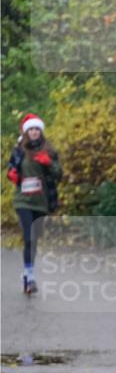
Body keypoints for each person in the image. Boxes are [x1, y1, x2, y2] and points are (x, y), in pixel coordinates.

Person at [6, 114, 62, 294]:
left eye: (37, 129)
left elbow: (59, 175)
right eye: (31, 129)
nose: (34, 132)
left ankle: (27, 272)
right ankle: (30, 278)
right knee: (29, 236)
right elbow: (11, 169)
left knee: (34, 240)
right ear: (26, 132)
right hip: (23, 201)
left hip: (42, 202)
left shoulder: (49, 151)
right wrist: (12, 175)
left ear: (41, 131)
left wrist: (49, 163)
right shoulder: (19, 151)